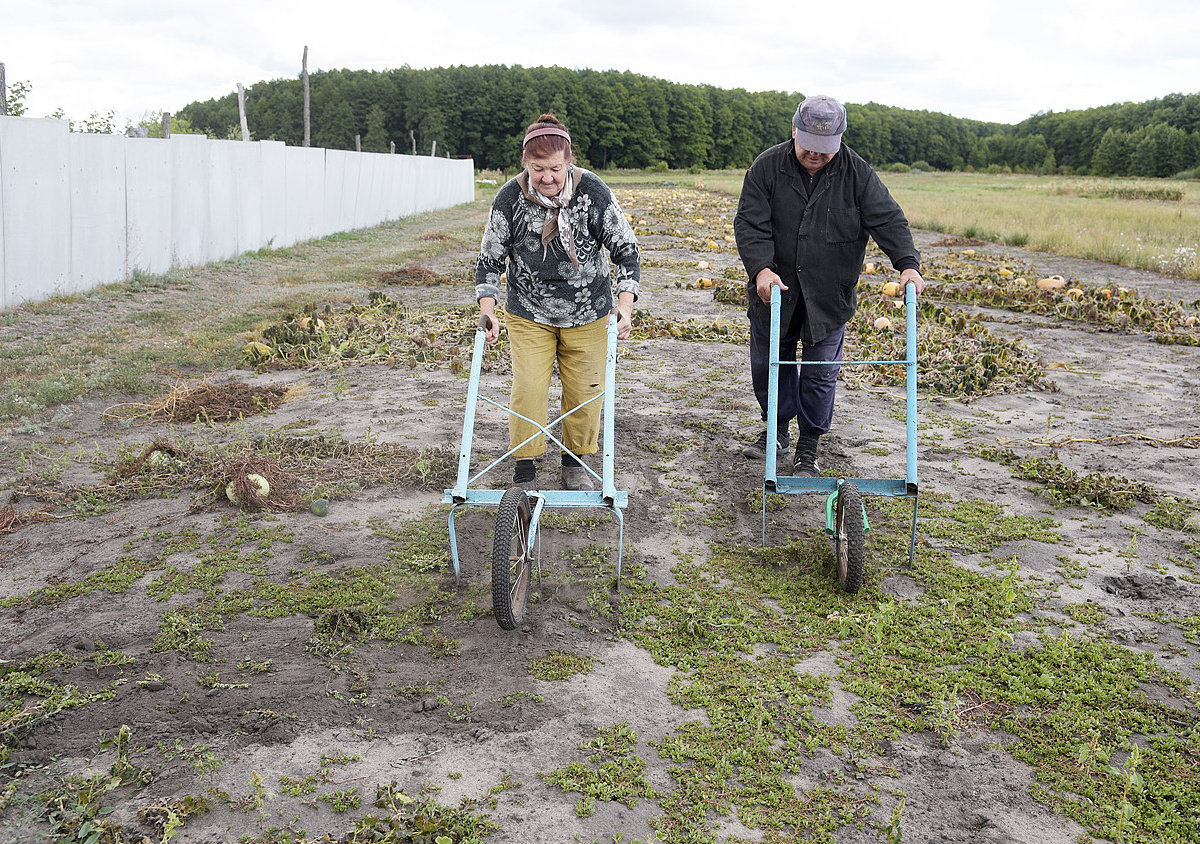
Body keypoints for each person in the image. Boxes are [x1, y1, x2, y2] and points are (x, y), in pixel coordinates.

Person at [734, 94, 925, 475]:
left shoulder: (857, 174)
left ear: (839, 139)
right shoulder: (767, 168)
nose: (816, 156)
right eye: (809, 148)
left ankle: (809, 445)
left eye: (825, 150)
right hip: (776, 290)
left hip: (829, 295)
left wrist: (907, 265)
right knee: (770, 365)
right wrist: (761, 270)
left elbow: (888, 220)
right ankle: (777, 429)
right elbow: (750, 224)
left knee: (820, 373)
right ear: (794, 131)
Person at [474, 114, 640, 491]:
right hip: (529, 311)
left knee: (584, 390)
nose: (546, 177)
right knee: (529, 387)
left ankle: (575, 460)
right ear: (524, 164)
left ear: (569, 161)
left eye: (554, 168)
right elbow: (489, 260)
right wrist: (488, 312)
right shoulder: (509, 199)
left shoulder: (593, 193)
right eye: (537, 169)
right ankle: (526, 466)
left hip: (589, 311)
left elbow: (627, 252)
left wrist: (625, 305)